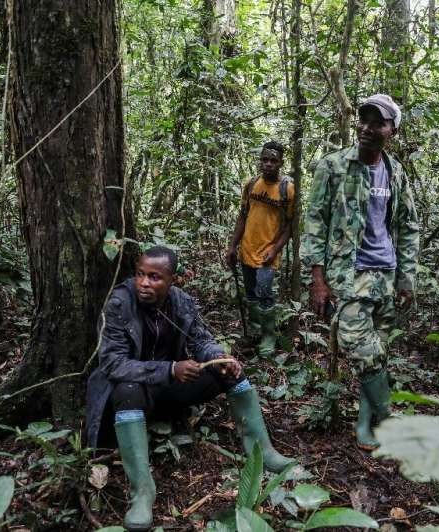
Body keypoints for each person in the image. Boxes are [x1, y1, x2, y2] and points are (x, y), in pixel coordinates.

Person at [85, 246, 293, 531]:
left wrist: (219, 357)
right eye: (140, 275)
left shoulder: (181, 302)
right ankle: (143, 492)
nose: (144, 283)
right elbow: (111, 364)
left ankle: (262, 452)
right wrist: (170, 369)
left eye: (155, 277)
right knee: (127, 388)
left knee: (226, 371)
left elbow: (201, 340)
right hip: (136, 395)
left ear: (172, 280)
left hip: (170, 389)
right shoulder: (120, 304)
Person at [300, 94, 419, 451]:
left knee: (379, 351)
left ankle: (365, 424)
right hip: (349, 273)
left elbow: (408, 225)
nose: (367, 128)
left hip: (387, 273)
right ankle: (388, 419)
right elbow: (315, 221)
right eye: (363, 120)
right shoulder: (334, 166)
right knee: (360, 347)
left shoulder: (396, 172)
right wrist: (317, 279)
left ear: (392, 130)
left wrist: (407, 277)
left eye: (377, 122)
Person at [225, 141, 295, 357]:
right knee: (251, 295)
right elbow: (242, 216)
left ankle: (269, 334)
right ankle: (255, 331)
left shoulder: (287, 189)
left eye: (273, 160)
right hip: (247, 249)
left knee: (264, 293)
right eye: (265, 159)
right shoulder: (251, 184)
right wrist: (232, 246)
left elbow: (290, 226)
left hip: (267, 254)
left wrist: (275, 249)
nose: (268, 164)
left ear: (281, 163)